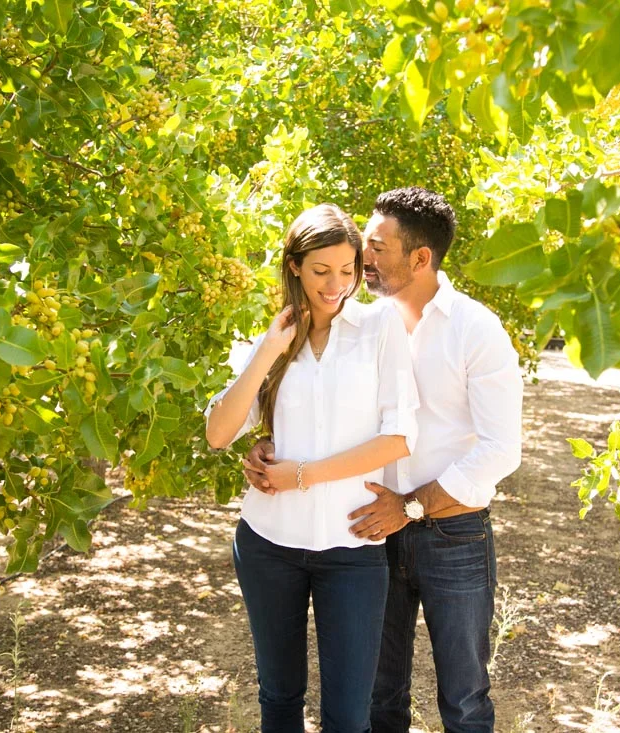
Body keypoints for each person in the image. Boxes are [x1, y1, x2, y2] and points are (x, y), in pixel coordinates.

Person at [244, 188, 523, 733]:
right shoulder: (361, 324)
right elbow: (324, 407)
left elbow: (500, 449)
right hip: (370, 530)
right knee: (378, 694)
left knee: (464, 698)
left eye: (374, 247)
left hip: (451, 532)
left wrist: (413, 507)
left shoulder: (476, 329)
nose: (361, 259)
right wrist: (270, 440)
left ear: (420, 258)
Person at [205, 203, 420, 733]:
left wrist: (301, 474)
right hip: (268, 544)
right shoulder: (271, 337)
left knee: (349, 717)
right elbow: (218, 434)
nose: (336, 285)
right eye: (322, 270)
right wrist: (267, 353)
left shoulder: (379, 328)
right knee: (278, 698)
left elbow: (399, 438)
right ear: (294, 265)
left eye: (348, 270)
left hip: (351, 549)